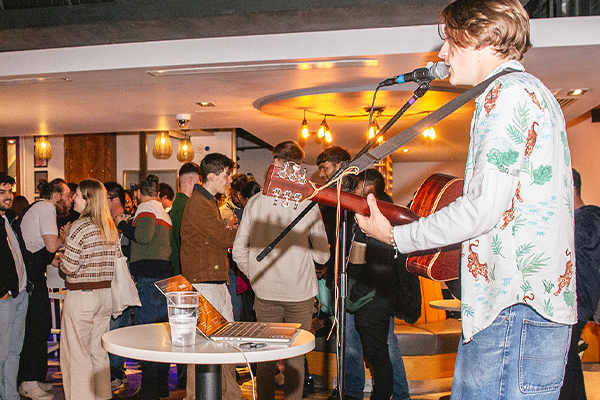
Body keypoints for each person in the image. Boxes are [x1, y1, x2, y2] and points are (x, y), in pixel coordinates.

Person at [356, 1, 576, 398]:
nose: (441, 54)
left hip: (510, 306)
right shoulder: (534, 93)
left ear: (480, 38)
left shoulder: (504, 96)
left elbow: (482, 209)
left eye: (451, 42)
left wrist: (395, 237)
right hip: (531, 304)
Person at [232, 141, 330, 400]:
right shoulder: (308, 203)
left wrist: (255, 275)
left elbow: (239, 251)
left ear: (274, 163)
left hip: (265, 291)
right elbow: (323, 254)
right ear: (298, 168)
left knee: (266, 357)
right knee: (296, 358)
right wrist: (302, 253)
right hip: (300, 291)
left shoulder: (254, 203)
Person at [348, 169, 416, 400]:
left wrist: (356, 290)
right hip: (379, 294)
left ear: (369, 189)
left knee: (378, 355)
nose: (355, 192)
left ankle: (384, 396)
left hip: (372, 296)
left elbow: (372, 260)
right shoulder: (388, 211)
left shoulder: (380, 215)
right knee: (380, 353)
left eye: (358, 187)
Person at [180, 153, 242, 400]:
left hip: (212, 283)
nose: (229, 181)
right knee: (204, 349)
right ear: (212, 176)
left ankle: (230, 394)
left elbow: (218, 238)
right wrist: (240, 224)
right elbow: (225, 239)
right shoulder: (198, 204)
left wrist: (231, 227)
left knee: (223, 344)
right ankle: (199, 396)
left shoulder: (207, 202)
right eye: (226, 175)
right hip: (204, 285)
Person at [59, 179, 120, 400]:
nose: (73, 198)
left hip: (82, 297)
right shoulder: (109, 225)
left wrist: (63, 258)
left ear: (87, 199)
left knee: (77, 355)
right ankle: (102, 396)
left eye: (76, 194)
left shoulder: (78, 226)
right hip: (105, 296)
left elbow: (69, 267)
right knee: (98, 353)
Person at [116, 175, 173, 400]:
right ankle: (161, 386)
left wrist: (121, 224)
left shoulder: (145, 208)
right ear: (158, 193)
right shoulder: (161, 210)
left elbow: (143, 236)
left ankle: (148, 389)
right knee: (162, 335)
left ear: (138, 193)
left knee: (147, 334)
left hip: (148, 278)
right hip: (165, 277)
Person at [17, 178, 72, 400]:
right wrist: (63, 237)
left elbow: (40, 248)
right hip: (32, 278)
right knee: (37, 328)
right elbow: (50, 246)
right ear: (56, 195)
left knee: (41, 328)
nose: (69, 200)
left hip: (32, 273)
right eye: (67, 195)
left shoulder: (38, 207)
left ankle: (36, 379)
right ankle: (29, 382)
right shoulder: (47, 208)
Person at [559, 169, 600, 400]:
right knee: (567, 365)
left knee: (564, 367)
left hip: (575, 308)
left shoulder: (587, 218)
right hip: (574, 308)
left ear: (569, 187)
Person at [0, 173, 28, 400]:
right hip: (6, 297)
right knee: (1, 353)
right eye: (2, 192)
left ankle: (11, 396)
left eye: (10, 191)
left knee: (13, 352)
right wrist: (3, 293)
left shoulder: (9, 219)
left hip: (18, 294)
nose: (8, 196)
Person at [104, 181, 133, 392]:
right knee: (111, 326)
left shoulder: (128, 222)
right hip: (109, 283)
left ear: (114, 200)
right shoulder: (105, 222)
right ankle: (112, 371)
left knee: (117, 326)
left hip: (121, 283)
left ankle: (116, 372)